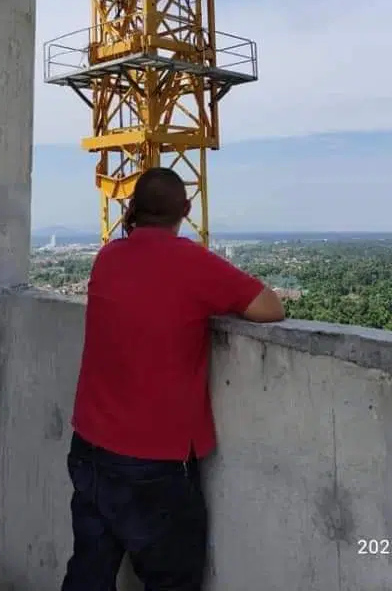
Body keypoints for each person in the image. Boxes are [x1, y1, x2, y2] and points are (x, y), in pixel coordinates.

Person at [60, 168, 285, 591]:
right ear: (185, 210)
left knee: (88, 573)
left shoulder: (108, 257)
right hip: (154, 463)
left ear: (131, 210)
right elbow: (270, 307)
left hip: (90, 447)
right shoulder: (192, 263)